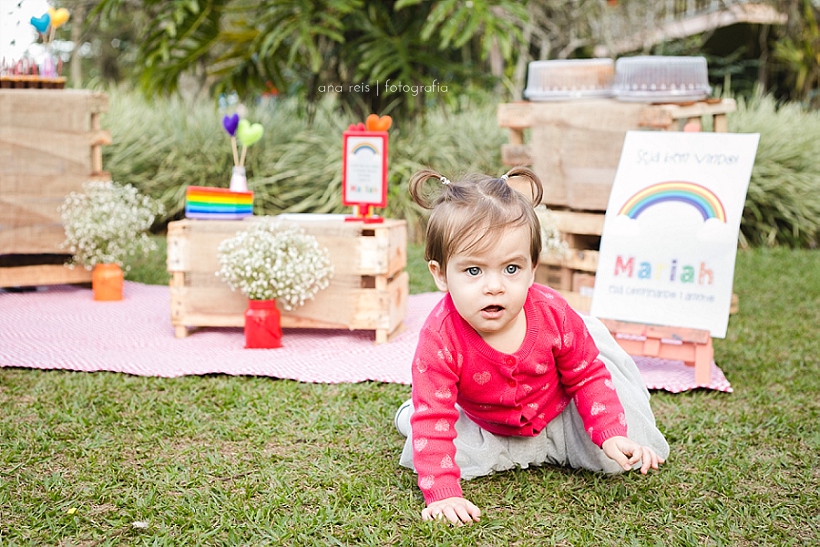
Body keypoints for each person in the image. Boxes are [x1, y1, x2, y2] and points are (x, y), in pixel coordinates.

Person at [395, 166, 670, 525]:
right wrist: (443, 494)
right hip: (487, 422)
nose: (494, 286)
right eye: (473, 271)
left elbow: (587, 375)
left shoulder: (552, 313)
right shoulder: (439, 338)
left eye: (511, 268)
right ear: (440, 274)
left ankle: (597, 440)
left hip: (557, 411)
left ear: (532, 268)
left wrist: (610, 434)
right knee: (429, 442)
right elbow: (435, 419)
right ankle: (408, 412)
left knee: (615, 456)